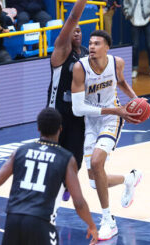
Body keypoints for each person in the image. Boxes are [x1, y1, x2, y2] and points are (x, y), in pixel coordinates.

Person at [0, 107, 98, 245]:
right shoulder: (66, 158)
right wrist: (91, 225)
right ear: (60, 129)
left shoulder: (20, 151)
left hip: (13, 220)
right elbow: (79, 202)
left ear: (38, 128)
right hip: (41, 222)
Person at [71, 30, 144, 240]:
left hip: (111, 119)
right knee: (95, 181)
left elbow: (120, 82)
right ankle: (129, 179)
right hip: (91, 120)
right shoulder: (80, 68)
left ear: (107, 48)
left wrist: (136, 100)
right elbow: (77, 109)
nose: (92, 47)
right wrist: (115, 110)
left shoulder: (117, 63)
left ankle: (108, 221)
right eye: (90, 43)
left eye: (97, 43)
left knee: (96, 163)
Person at [47, 0, 89, 200]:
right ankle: (48, 190)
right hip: (56, 114)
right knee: (53, 157)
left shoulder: (88, 56)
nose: (77, 32)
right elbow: (72, 18)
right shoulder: (61, 51)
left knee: (76, 158)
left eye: (80, 30)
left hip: (77, 113)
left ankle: (66, 185)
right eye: (73, 30)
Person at [123, 0, 150, 79]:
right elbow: (125, 5)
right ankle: (135, 69)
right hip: (134, 22)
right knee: (135, 46)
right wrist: (128, 14)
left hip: (148, 22)